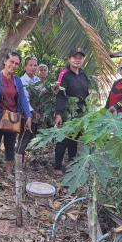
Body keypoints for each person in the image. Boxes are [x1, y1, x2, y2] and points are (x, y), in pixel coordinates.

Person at [0, 52, 32, 187]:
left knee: (10, 146)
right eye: (11, 62)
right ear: (5, 61)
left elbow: (22, 99)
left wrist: (28, 116)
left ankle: (8, 173)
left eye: (17, 63)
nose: (14, 65)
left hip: (12, 118)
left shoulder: (17, 81)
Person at [53, 47, 90, 176]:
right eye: (74, 57)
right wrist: (58, 114)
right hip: (67, 113)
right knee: (63, 140)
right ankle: (57, 166)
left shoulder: (83, 74)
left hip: (80, 114)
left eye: (80, 58)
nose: (77, 60)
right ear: (69, 59)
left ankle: (72, 165)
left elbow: (86, 93)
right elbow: (60, 94)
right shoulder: (64, 74)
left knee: (74, 139)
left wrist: (87, 112)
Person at [17, 56, 41, 156]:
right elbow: (24, 100)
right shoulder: (22, 80)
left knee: (33, 139)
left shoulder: (37, 80)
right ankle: (18, 164)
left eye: (35, 65)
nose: (33, 67)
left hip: (37, 114)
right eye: (30, 65)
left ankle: (29, 161)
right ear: (25, 67)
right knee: (24, 138)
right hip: (26, 115)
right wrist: (32, 112)